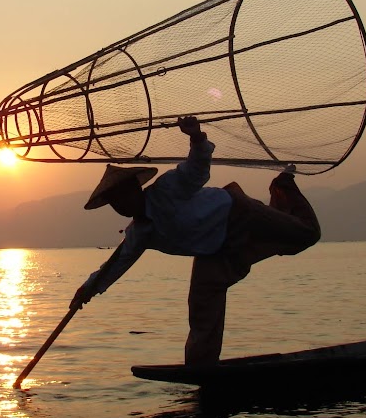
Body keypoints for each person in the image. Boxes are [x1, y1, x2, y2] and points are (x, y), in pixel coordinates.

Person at [70, 115, 321, 365]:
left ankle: (283, 185)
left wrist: (196, 136)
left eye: (124, 196)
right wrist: (86, 291)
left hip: (237, 213)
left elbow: (196, 170)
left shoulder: (166, 189)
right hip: (216, 250)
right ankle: (200, 367)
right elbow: (116, 264)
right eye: (116, 202)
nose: (122, 205)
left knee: (306, 233)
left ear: (136, 190)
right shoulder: (139, 233)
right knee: (202, 305)